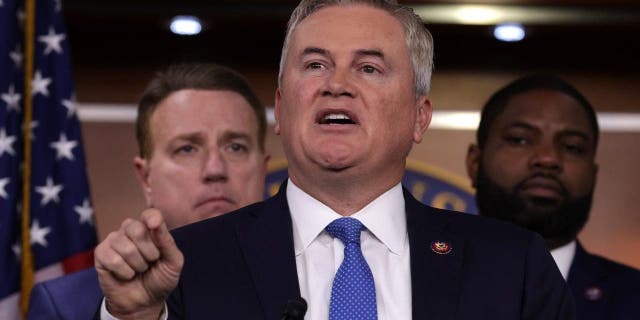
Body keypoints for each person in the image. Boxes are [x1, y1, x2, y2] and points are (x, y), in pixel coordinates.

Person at [95, 1, 575, 319]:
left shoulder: (511, 266)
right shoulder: (187, 265)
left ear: (418, 117)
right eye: (315, 65)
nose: (337, 84)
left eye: (369, 67)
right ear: (281, 110)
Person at [26, 63, 270, 319]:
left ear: (263, 170)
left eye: (236, 147)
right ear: (145, 179)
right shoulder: (64, 306)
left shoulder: (310, 280)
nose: (215, 168)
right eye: (186, 149)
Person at [466, 74, 640, 320]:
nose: (548, 159)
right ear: (474, 163)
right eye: (520, 139)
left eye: (572, 147)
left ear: (593, 174)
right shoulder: (417, 281)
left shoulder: (634, 299)